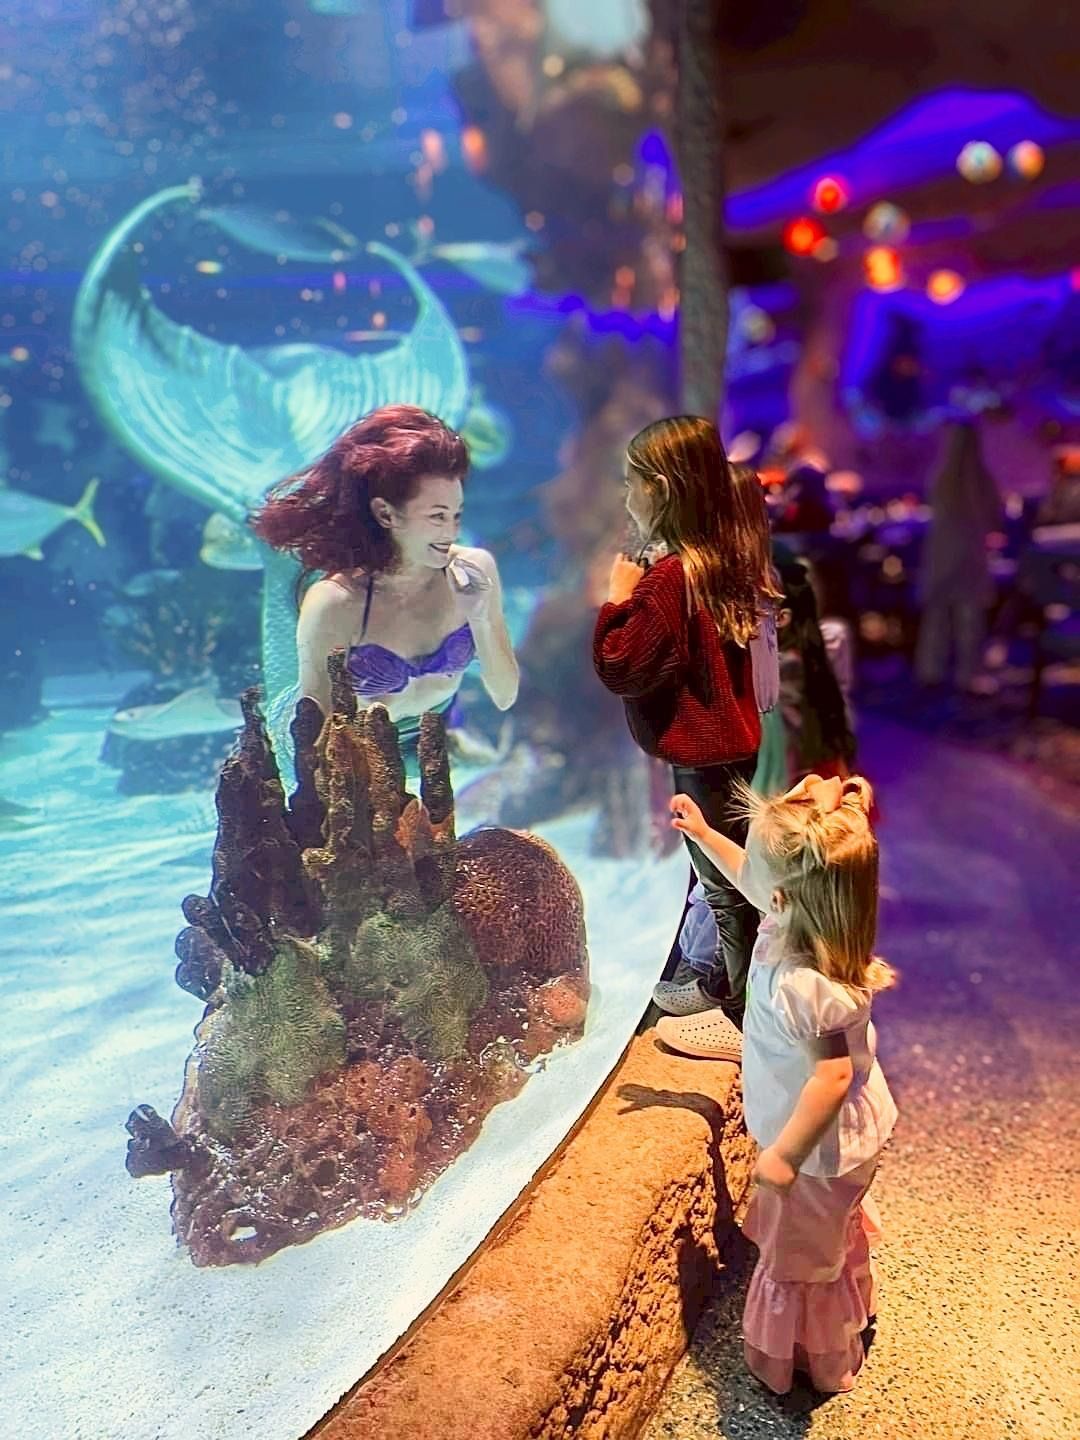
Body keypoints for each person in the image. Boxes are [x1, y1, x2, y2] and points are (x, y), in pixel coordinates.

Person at [668, 773, 897, 1395]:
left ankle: (814, 1361)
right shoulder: (794, 920)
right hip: (828, 1141)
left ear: (787, 896)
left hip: (818, 1150)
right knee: (821, 1237)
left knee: (800, 1260)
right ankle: (834, 1306)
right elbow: (754, 878)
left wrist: (785, 1156)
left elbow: (833, 1074)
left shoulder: (805, 985)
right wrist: (705, 835)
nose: (752, 873)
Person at [592, 416, 780, 1059]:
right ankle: (729, 986)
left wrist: (618, 601)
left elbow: (622, 664)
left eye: (631, 482)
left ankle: (744, 1018)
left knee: (728, 888)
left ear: (661, 489)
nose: (625, 495)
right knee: (733, 874)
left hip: (702, 755)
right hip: (736, 742)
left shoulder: (672, 576)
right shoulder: (722, 558)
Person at [252, 405, 518, 776]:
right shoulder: (336, 601)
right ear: (386, 514)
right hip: (341, 747)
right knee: (283, 562)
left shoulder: (475, 569)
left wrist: (481, 618)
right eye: (437, 517)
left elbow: (505, 695)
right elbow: (317, 746)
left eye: (456, 515)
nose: (451, 532)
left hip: (431, 734)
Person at [914, 420, 1002, 692]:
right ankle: (968, 674)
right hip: (971, 553)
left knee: (936, 615)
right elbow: (994, 516)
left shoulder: (940, 476)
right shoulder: (982, 480)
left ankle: (930, 671)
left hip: (941, 553)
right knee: (969, 616)